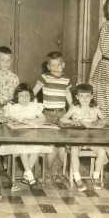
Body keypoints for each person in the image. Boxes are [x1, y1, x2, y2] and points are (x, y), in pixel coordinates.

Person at [1, 83, 53, 191]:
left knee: (36, 149)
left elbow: (43, 119)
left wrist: (31, 121)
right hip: (16, 138)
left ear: (31, 96)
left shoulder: (34, 106)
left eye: (27, 96)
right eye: (21, 96)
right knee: (23, 149)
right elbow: (6, 118)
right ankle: (30, 176)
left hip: (32, 136)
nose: (24, 99)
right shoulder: (13, 107)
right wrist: (14, 120)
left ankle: (26, 175)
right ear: (17, 97)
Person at [60, 84, 108, 191]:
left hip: (92, 140)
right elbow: (63, 119)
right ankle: (77, 178)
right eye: (81, 96)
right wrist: (74, 121)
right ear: (77, 97)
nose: (85, 99)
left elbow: (105, 120)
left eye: (87, 96)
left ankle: (96, 177)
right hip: (77, 139)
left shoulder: (95, 109)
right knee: (74, 151)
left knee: (102, 151)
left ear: (92, 97)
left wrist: (98, 123)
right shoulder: (74, 108)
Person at [33, 51, 72, 182]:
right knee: (49, 144)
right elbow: (34, 92)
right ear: (48, 67)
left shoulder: (67, 80)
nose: (56, 68)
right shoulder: (44, 77)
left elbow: (69, 97)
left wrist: (72, 111)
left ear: (63, 65)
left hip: (61, 113)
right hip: (47, 114)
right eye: (52, 65)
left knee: (61, 145)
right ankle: (47, 171)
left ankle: (59, 171)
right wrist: (31, 106)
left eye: (58, 65)